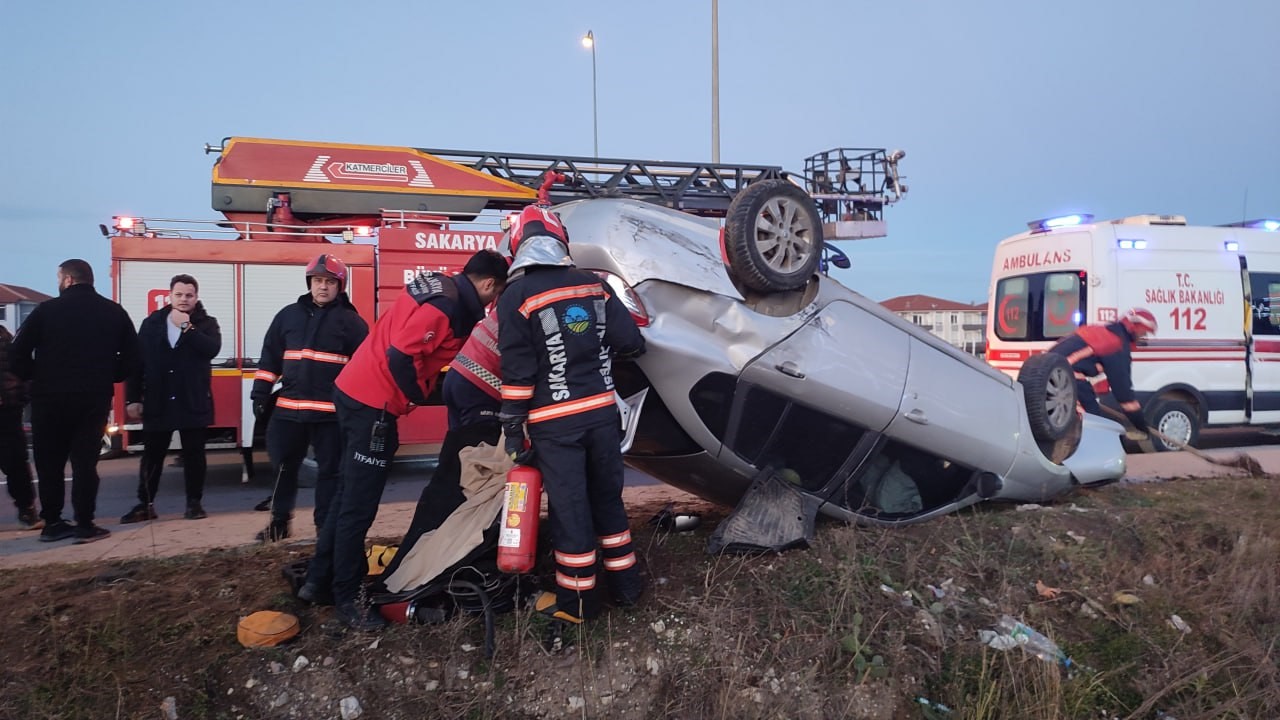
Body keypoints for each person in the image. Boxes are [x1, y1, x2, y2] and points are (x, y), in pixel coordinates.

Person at [299, 249, 509, 630]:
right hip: (373, 406)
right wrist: (413, 394)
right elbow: (401, 356)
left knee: (346, 494)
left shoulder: (440, 286)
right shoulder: (446, 305)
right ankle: (348, 600)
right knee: (358, 507)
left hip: (354, 392)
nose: (493, 303)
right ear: (489, 284)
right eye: (495, 295)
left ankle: (318, 581)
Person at [497, 203, 646, 627]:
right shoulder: (593, 285)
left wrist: (512, 427)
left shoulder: (516, 297)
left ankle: (580, 602)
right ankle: (627, 587)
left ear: (519, 245)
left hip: (554, 424)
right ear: (560, 239)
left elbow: (518, 369)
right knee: (607, 502)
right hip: (602, 416)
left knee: (571, 510)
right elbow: (630, 342)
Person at [11, 259, 139, 544]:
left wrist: (37, 377)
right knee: (84, 464)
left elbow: (16, 354)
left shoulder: (45, 311)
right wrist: (108, 375)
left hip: (48, 400)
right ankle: (84, 523)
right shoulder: (113, 312)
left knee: (50, 464)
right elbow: (132, 358)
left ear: (67, 279)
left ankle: (53, 522)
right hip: (92, 398)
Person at [250, 254, 369, 542]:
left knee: (330, 473)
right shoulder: (287, 316)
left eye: (329, 281)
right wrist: (260, 393)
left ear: (340, 285)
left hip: (330, 416)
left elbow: (364, 368)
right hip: (288, 412)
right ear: (309, 283)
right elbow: (269, 359)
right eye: (317, 281)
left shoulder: (352, 323)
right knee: (283, 469)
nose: (323, 287)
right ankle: (279, 523)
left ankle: (323, 528)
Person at [119, 274, 222, 523]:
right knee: (152, 455)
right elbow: (136, 363)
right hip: (159, 400)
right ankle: (145, 504)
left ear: (196, 297)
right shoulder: (152, 323)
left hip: (192, 399)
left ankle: (194, 504)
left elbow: (212, 349)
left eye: (189, 295)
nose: (184, 299)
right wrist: (132, 398)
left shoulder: (207, 323)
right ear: (170, 295)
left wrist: (187, 327)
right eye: (179, 295)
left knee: (194, 455)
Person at [1048, 307, 1158, 436]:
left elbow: (1091, 364)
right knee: (1092, 424)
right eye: (1143, 333)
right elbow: (1125, 396)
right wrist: (1141, 426)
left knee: (1065, 423)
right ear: (1134, 328)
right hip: (1063, 377)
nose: (1143, 337)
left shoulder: (1102, 332)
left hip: (1050, 375)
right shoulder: (1116, 345)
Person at [0, 325, 41, 529]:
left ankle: (27, 510)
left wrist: (20, 396)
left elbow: (23, 370)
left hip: (8, 408)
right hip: (9, 407)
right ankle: (27, 511)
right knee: (16, 462)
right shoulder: (6, 338)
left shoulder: (6, 339)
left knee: (16, 463)